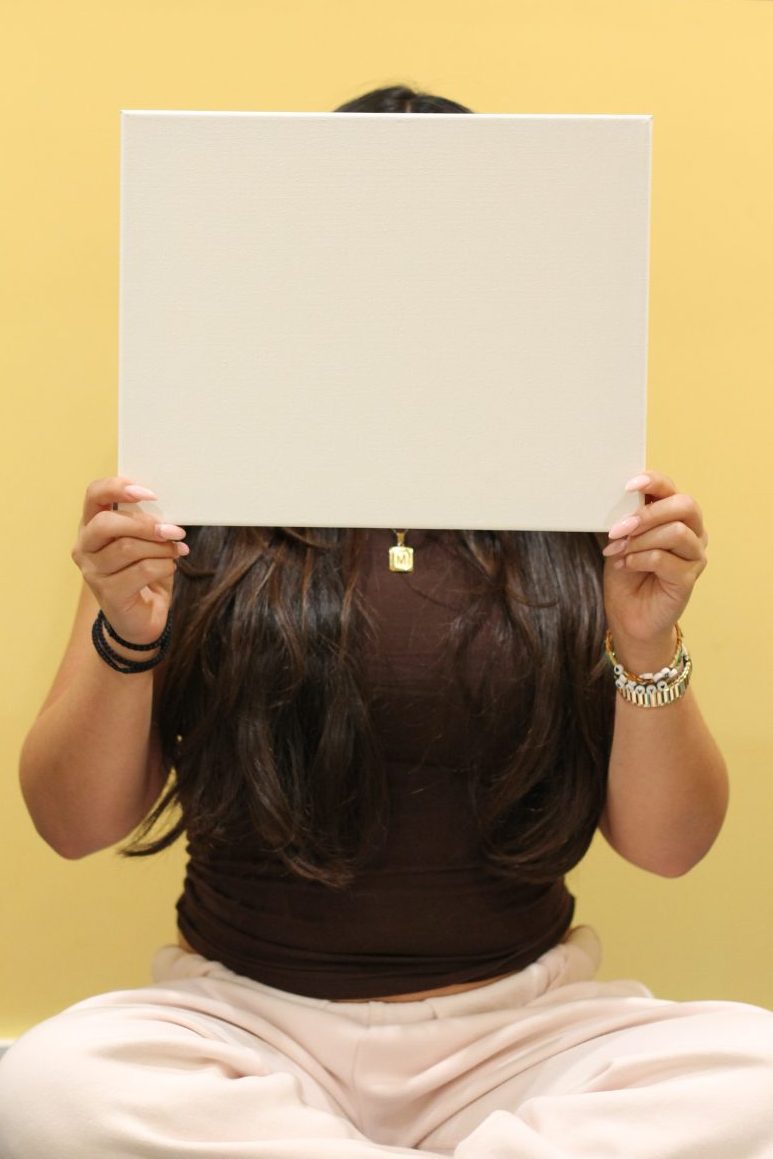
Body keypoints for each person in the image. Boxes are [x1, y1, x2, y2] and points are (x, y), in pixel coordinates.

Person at [1, 85, 772, 1159]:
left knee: (756, 1080)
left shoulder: (570, 493)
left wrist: (646, 643)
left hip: (520, 1030)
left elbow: (668, 847)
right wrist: (126, 628)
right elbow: (71, 821)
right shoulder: (188, 486)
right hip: (245, 1025)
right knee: (44, 1089)